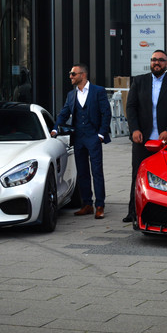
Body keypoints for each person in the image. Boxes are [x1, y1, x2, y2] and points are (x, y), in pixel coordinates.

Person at [123, 50, 167, 223]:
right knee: (137, 175)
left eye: (160, 60)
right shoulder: (140, 81)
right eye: (153, 60)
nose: (156, 63)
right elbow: (131, 107)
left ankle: (166, 212)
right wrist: (134, 129)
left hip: (165, 141)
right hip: (142, 140)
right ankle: (133, 212)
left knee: (166, 178)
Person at [52, 64, 112, 219]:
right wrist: (55, 128)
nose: (70, 76)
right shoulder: (71, 95)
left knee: (97, 172)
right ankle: (87, 204)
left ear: (83, 75)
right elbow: (64, 113)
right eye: (70, 74)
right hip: (78, 138)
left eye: (73, 74)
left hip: (93, 136)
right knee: (82, 172)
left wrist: (101, 134)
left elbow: (106, 113)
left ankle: (100, 205)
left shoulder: (98, 91)